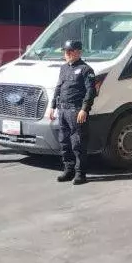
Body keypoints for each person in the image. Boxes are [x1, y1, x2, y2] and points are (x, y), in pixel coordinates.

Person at [49, 40, 97, 185]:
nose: (67, 54)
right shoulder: (64, 68)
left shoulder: (86, 70)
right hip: (63, 110)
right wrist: (52, 106)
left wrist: (84, 109)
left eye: (70, 51)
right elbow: (58, 87)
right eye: (65, 51)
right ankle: (68, 170)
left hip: (76, 111)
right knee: (64, 142)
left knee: (78, 143)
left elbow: (91, 92)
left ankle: (80, 174)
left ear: (78, 52)